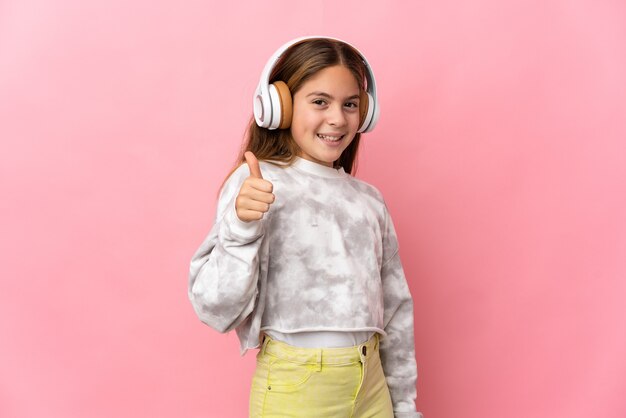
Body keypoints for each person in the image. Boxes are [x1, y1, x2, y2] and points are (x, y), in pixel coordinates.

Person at [188, 36, 423, 418]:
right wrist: (242, 228)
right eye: (319, 102)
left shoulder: (368, 200)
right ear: (278, 106)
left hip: (372, 382)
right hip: (298, 384)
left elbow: (396, 309)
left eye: (350, 104)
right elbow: (216, 308)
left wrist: (404, 405)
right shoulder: (259, 185)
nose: (337, 118)